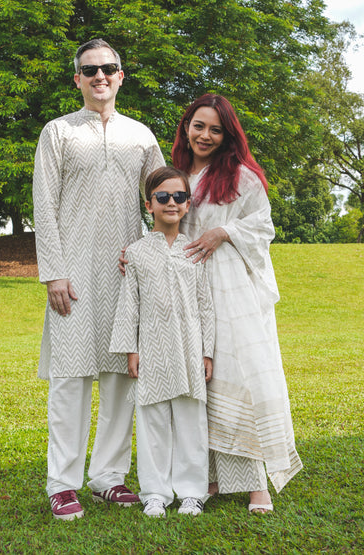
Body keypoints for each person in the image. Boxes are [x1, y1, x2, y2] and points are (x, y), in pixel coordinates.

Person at [32, 38, 165, 521]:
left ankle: (108, 477)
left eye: (108, 68)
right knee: (69, 381)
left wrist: (153, 258)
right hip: (72, 277)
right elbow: (44, 204)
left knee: (120, 379)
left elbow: (165, 198)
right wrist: (54, 273)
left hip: (124, 276)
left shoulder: (140, 136)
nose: (100, 76)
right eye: (90, 70)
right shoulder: (58, 132)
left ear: (121, 75)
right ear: (78, 80)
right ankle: (62, 483)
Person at [170, 93, 303, 513]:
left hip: (230, 288)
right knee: (201, 380)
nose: (205, 135)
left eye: (215, 129)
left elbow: (263, 226)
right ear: (186, 127)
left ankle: (256, 484)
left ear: (227, 135)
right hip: (187, 285)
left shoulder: (241, 176)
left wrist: (223, 232)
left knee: (239, 376)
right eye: (199, 126)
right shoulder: (177, 175)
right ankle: (209, 476)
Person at [110, 166, 215, 518]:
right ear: (149, 204)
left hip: (189, 348)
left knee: (191, 423)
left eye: (179, 196)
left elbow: (205, 304)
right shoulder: (136, 253)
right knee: (151, 422)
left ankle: (192, 492)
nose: (171, 202)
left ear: (188, 203)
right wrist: (132, 349)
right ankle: (155, 492)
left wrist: (207, 351)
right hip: (152, 349)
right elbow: (129, 303)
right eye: (163, 196)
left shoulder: (195, 250)